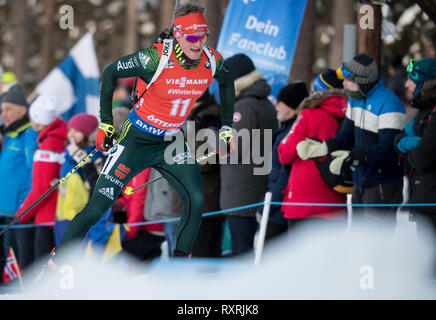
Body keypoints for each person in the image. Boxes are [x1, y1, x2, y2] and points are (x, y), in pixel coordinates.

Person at [57, 3, 235, 258]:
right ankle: (59, 259)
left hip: (171, 142)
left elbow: (227, 83)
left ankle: (179, 265)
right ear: (179, 35)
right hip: (137, 140)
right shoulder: (155, 58)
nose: (199, 44)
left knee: (195, 199)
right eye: (193, 37)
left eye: (203, 36)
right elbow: (110, 73)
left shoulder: (211, 60)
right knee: (98, 206)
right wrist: (106, 123)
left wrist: (227, 127)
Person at [297, 54, 406, 231]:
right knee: (358, 239)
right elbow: (346, 135)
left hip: (382, 183)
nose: (344, 84)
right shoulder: (355, 99)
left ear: (362, 81)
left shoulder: (389, 103)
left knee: (375, 242)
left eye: (348, 79)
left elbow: (388, 149)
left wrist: (354, 156)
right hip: (360, 180)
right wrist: (326, 146)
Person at [220, 53, 278, 256]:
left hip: (241, 192)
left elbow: (233, 148)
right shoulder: (265, 103)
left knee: (241, 252)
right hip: (254, 187)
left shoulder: (243, 107)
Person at [278, 69, 348, 229]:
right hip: (337, 197)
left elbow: (285, 153)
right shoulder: (349, 116)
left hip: (304, 200)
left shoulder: (309, 115)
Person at [394, 58, 436, 271]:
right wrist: (406, 142)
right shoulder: (422, 110)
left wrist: (410, 145)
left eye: (411, 79)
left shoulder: (433, 113)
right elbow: (399, 141)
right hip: (422, 198)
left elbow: (422, 158)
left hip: (432, 203)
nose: (407, 84)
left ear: (425, 83)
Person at [15, 95, 67, 268]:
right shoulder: (57, 137)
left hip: (47, 218)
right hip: (54, 216)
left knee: (41, 270)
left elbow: (42, 189)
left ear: (37, 120)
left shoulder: (50, 144)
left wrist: (22, 215)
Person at [258, 81, 308, 241]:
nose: (276, 105)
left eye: (281, 101)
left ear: (291, 106)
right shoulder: (285, 129)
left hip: (279, 209)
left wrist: (267, 206)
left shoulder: (292, 132)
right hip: (278, 205)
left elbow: (284, 176)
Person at [0, 85, 38, 279]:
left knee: (23, 259)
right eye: (2, 110)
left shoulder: (28, 134)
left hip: (21, 210)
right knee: (7, 257)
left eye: (7, 109)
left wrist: (26, 205)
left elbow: (35, 171)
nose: (3, 114)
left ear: (22, 110)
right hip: (5, 210)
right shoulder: (9, 135)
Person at [54, 113, 103, 246]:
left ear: (87, 133)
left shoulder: (93, 153)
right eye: (70, 130)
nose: (72, 134)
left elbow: (94, 178)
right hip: (65, 210)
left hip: (81, 207)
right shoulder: (68, 152)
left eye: (77, 131)